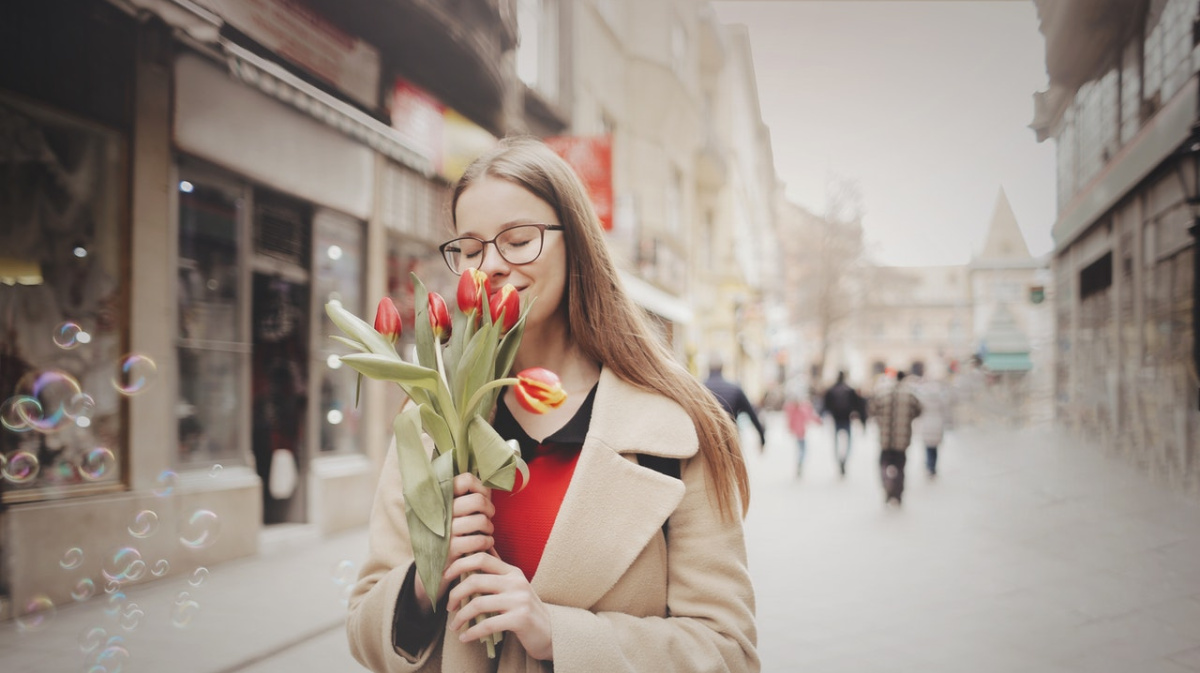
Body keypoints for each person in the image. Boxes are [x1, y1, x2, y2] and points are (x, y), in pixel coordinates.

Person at [346, 137, 758, 672]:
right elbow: (364, 628)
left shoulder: (676, 428)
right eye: (470, 250)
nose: (491, 264)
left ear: (577, 243)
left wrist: (556, 634)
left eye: (519, 240)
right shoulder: (428, 418)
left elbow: (728, 652)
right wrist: (426, 578)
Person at [867, 370, 923, 506]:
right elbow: (919, 411)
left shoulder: (883, 393)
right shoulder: (910, 395)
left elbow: (872, 409)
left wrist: (882, 420)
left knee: (883, 464)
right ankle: (897, 493)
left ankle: (887, 486)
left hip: (885, 438)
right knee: (900, 467)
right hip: (902, 439)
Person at [703, 353, 767, 452]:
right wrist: (762, 439)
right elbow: (752, 415)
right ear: (722, 368)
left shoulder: (699, 389)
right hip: (731, 443)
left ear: (708, 368)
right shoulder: (735, 389)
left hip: (707, 444)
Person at [821, 371, 863, 476]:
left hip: (836, 419)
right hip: (846, 419)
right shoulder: (849, 390)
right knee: (848, 443)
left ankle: (839, 460)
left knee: (836, 443)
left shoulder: (831, 390)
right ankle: (844, 459)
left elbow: (826, 405)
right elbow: (857, 404)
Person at [914, 375, 952, 477]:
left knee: (928, 446)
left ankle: (929, 465)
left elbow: (917, 411)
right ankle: (933, 466)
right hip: (937, 423)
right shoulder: (940, 398)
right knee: (934, 447)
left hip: (926, 424)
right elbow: (946, 410)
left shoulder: (922, 398)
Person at [783, 385, 821, 477]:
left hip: (797, 431)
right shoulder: (804, 407)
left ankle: (800, 461)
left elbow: (789, 419)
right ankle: (800, 461)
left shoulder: (791, 408)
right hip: (802, 432)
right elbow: (810, 416)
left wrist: (789, 428)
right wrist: (819, 421)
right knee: (803, 449)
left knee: (800, 448)